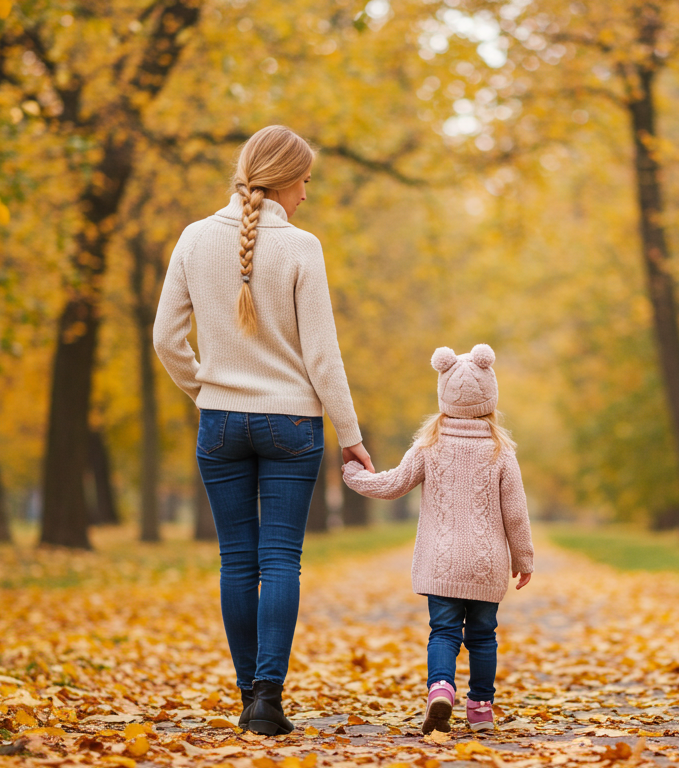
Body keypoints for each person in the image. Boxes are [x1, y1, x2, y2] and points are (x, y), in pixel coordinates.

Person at [153, 125, 374, 736]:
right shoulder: (303, 247)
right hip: (293, 426)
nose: (306, 194)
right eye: (305, 181)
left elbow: (165, 340)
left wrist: (207, 391)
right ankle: (268, 700)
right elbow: (323, 358)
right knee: (280, 560)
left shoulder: (195, 239)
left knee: (236, 560)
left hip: (220, 424)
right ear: (284, 180)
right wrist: (350, 435)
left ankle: (247, 691)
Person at [341, 344, 534, 734]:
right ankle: (480, 707)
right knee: (483, 636)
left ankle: (440, 687)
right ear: (490, 397)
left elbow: (393, 484)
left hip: (441, 564)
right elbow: (515, 513)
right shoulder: (501, 451)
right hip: (486, 565)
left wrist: (354, 476)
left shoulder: (428, 447)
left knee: (443, 632)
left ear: (443, 394)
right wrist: (524, 559)